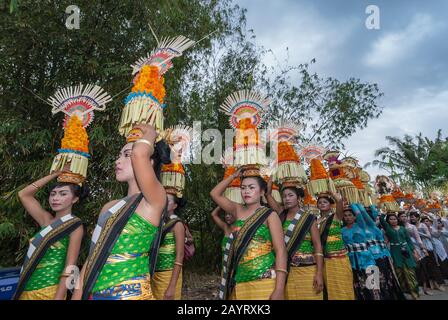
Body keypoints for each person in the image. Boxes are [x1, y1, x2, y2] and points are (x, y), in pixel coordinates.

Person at [73, 124, 169, 300]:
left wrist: (150, 133)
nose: (118, 161)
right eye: (119, 155)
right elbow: (93, 256)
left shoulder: (154, 200)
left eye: (126, 155)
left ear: (149, 161)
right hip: (95, 294)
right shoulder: (109, 207)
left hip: (132, 295)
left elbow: (140, 153)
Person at [211, 168, 287, 300]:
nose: (246, 191)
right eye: (243, 188)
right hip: (239, 281)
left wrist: (279, 289)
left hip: (264, 282)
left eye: (251, 187)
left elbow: (281, 251)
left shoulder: (270, 215)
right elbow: (214, 194)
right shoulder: (237, 210)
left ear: (262, 191)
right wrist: (233, 176)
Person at [14, 166, 85, 300]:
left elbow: (70, 265)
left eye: (63, 194)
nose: (55, 198)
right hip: (26, 289)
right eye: (53, 194)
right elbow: (23, 194)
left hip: (50, 291)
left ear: (74, 199)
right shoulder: (45, 220)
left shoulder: (74, 225)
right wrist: (55, 174)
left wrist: (58, 297)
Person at [266, 179, 324, 300]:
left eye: (290, 195)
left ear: (298, 198)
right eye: (284, 196)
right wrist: (270, 179)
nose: (287, 198)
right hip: (286, 270)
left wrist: (319, 273)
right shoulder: (281, 214)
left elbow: (318, 246)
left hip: (307, 270)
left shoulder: (309, 218)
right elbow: (268, 195)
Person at [316, 192, 355, 300]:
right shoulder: (315, 222)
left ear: (330, 204)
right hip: (324, 259)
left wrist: (336, 198)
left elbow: (339, 204)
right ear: (317, 205)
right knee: (330, 289)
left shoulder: (336, 217)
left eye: (325, 202)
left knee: (343, 287)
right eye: (320, 202)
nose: (322, 204)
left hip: (339, 258)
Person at [151, 193, 186, 300]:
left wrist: (172, 286)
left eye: (168, 201)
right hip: (154, 275)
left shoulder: (177, 224)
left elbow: (180, 255)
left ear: (174, 206)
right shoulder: (157, 222)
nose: (164, 203)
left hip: (169, 276)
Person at [342, 205, 380, 300]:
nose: (347, 217)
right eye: (345, 215)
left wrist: (353, 203)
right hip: (352, 261)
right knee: (358, 286)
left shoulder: (360, 225)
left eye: (350, 215)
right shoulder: (341, 230)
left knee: (373, 285)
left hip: (366, 259)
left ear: (355, 217)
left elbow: (360, 213)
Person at [380, 213, 419, 299]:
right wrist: (386, 212)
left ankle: (415, 294)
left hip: (406, 250)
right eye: (391, 219)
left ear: (397, 220)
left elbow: (408, 240)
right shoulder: (388, 228)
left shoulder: (402, 228)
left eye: (395, 219)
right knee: (399, 273)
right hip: (395, 252)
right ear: (388, 221)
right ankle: (404, 293)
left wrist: (414, 251)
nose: (393, 221)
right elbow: (382, 220)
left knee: (411, 272)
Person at [399, 211, 432, 295]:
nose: (404, 218)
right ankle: (414, 288)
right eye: (402, 216)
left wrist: (423, 248)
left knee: (421, 268)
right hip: (403, 249)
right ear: (399, 218)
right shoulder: (397, 227)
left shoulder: (412, 226)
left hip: (415, 248)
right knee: (410, 269)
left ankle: (424, 288)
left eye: (405, 216)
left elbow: (418, 238)